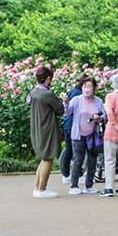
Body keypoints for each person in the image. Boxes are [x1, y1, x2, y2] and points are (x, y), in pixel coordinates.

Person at [28, 66, 67, 198]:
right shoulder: (47, 94)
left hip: (37, 128)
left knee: (44, 158)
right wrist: (65, 101)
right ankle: (42, 189)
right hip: (48, 129)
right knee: (48, 159)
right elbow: (60, 110)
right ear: (48, 78)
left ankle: (37, 188)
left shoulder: (33, 93)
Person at [67, 77, 105, 194]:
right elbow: (67, 112)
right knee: (78, 159)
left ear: (94, 88)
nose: (87, 89)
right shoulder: (76, 100)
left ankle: (89, 185)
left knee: (92, 160)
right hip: (78, 135)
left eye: (90, 86)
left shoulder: (98, 101)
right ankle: (74, 186)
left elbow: (103, 115)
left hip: (92, 135)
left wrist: (99, 118)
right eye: (85, 86)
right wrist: (65, 103)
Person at [58, 76, 83, 187]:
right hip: (72, 125)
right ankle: (68, 174)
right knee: (72, 150)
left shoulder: (72, 91)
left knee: (69, 149)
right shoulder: (78, 94)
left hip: (68, 124)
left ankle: (66, 174)